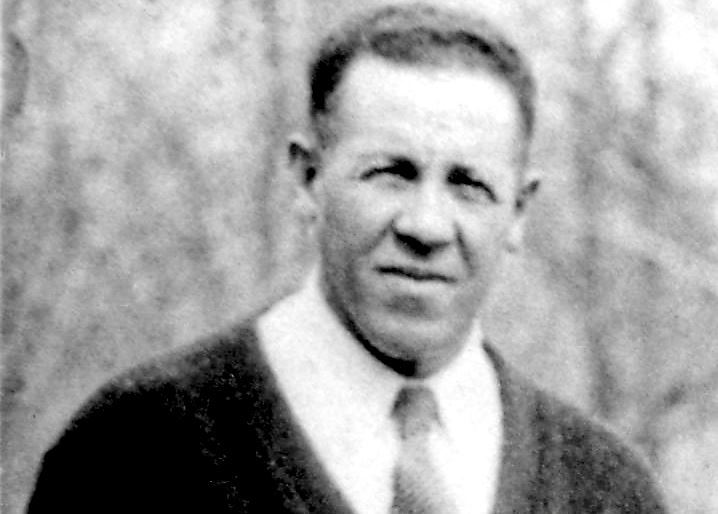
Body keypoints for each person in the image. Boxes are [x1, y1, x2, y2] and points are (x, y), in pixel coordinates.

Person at [28, 4, 666, 513]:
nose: (425, 226)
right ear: (308, 179)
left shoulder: (606, 487)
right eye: (390, 173)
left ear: (519, 212)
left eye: (469, 185)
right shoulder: (137, 447)